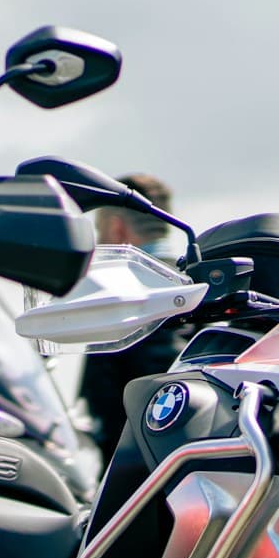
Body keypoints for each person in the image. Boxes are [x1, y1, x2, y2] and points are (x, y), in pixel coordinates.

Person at [78, 173, 192, 457]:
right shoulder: (195, 286)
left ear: (116, 229)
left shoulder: (118, 294)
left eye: (99, 229)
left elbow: (101, 405)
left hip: (134, 477)